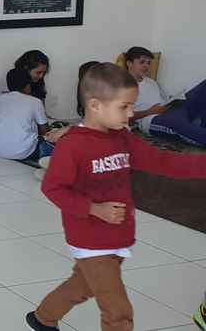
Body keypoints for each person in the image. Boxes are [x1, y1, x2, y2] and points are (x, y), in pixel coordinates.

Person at [26, 63, 206, 331]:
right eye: (125, 107)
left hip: (117, 235)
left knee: (81, 287)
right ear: (96, 105)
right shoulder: (73, 146)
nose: (131, 113)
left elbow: (163, 161)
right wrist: (94, 209)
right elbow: (52, 188)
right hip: (90, 238)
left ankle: (41, 318)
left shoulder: (123, 138)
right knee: (118, 311)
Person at [125, 46, 206, 147]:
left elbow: (165, 99)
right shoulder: (122, 86)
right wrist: (150, 112)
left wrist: (174, 99)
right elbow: (122, 116)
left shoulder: (151, 82)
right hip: (152, 118)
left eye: (149, 63)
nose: (146, 66)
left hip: (172, 110)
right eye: (142, 62)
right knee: (179, 125)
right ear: (129, 63)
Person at [0, 68, 65, 162]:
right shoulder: (35, 101)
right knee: (55, 142)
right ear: (27, 85)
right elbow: (45, 131)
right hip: (24, 152)